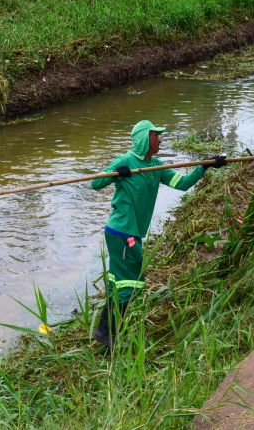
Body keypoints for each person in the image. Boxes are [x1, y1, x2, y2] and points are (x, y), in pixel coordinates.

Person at [90, 120, 226, 346]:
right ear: (144, 139)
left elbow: (182, 183)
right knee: (130, 284)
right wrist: (116, 174)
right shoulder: (126, 161)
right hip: (122, 232)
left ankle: (106, 333)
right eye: (156, 136)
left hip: (130, 233)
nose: (160, 139)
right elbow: (95, 184)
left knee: (120, 282)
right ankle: (107, 335)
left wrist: (206, 166)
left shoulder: (155, 166)